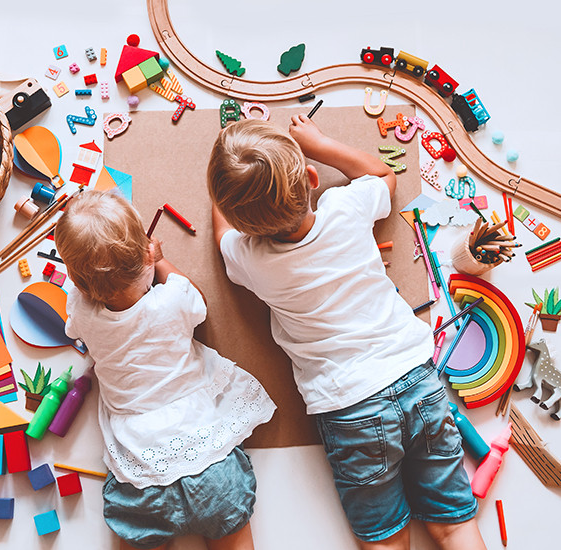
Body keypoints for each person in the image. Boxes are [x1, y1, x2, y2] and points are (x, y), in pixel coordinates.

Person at [207, 116, 486, 550]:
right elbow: (383, 175)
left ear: (246, 226)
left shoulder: (250, 260)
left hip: (349, 407)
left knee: (387, 539)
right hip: (417, 379)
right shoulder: (345, 207)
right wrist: (318, 142)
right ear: (313, 178)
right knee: (454, 524)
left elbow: (222, 234)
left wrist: (223, 195)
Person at [54, 189, 276, 550]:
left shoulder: (81, 312)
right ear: (146, 254)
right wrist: (161, 262)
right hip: (205, 453)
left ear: (79, 282)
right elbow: (199, 303)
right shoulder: (171, 300)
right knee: (233, 537)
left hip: (141, 468)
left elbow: (77, 310)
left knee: (136, 536)